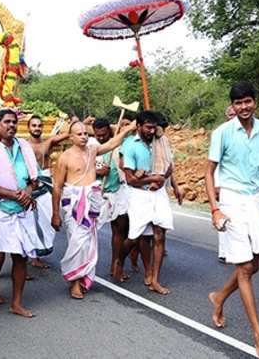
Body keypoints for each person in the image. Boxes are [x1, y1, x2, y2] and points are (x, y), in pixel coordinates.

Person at [204, 82, 259, 358]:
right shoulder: (222, 133)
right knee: (245, 266)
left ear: (254, 102)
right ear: (232, 106)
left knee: (255, 263)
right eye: (238, 103)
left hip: (257, 199)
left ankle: (219, 296)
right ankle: (258, 336)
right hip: (231, 199)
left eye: (248, 102)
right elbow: (208, 172)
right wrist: (215, 208)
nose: (244, 107)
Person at [52, 120, 134, 298]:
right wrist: (55, 214)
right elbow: (57, 186)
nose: (83, 137)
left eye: (85, 134)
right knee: (77, 243)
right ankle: (74, 281)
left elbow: (113, 143)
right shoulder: (65, 157)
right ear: (71, 137)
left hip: (92, 201)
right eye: (79, 134)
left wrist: (129, 129)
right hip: (74, 204)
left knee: (88, 243)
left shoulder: (93, 150)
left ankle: (83, 278)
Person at [0, 109, 40, 318]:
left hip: (21, 209)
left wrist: (27, 193)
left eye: (14, 122)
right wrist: (14, 195)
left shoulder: (24, 147)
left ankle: (16, 302)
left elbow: (33, 179)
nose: (11, 126)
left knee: (21, 258)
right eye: (7, 122)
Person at [116, 111, 178, 294]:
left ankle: (154, 279)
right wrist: (151, 179)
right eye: (148, 127)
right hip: (138, 195)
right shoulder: (130, 146)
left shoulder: (161, 142)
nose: (152, 131)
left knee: (159, 235)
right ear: (139, 127)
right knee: (135, 237)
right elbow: (130, 180)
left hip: (158, 194)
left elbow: (169, 167)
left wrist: (162, 179)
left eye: (154, 127)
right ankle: (118, 261)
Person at [91, 118, 130, 281]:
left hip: (118, 190)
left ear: (109, 130)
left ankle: (116, 264)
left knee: (120, 229)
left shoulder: (118, 143)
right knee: (89, 231)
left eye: (104, 134)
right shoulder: (90, 146)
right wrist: (97, 171)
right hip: (97, 192)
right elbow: (80, 167)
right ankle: (85, 267)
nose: (100, 138)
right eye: (97, 135)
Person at [27, 115, 66, 269]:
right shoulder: (22, 146)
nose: (36, 128)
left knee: (46, 219)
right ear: (29, 128)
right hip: (31, 185)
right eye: (33, 125)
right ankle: (28, 258)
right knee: (30, 223)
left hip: (46, 185)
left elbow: (68, 135)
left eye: (39, 125)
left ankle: (38, 253)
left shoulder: (47, 142)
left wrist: (78, 124)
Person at [217, 105, 237, 263]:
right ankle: (224, 252)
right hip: (224, 183)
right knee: (224, 219)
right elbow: (215, 162)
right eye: (230, 114)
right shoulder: (222, 132)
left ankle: (237, 251)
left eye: (234, 114)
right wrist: (216, 184)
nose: (233, 116)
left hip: (243, 186)